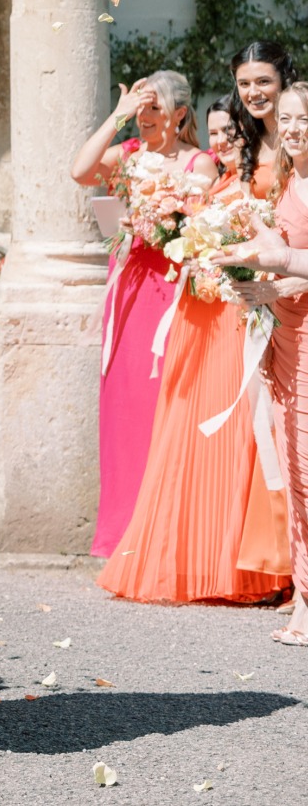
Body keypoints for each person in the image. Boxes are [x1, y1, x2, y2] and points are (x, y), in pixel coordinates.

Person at [96, 76, 290, 604]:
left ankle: (234, 567)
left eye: (228, 133)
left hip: (228, 318)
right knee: (183, 435)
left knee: (232, 440)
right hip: (193, 313)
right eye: (215, 134)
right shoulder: (210, 181)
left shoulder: (246, 188)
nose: (221, 142)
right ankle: (183, 562)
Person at [72, 71, 216, 560]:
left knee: (167, 408)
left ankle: (168, 537)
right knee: (126, 408)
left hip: (173, 295)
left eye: (153, 107)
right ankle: (122, 535)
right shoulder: (129, 154)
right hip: (130, 293)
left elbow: (204, 234)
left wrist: (163, 222)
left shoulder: (201, 163)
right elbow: (80, 170)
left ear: (179, 113)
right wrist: (116, 116)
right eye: (140, 107)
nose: (144, 116)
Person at [218, 83, 308, 645]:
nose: (295, 128)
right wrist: (257, 285)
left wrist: (275, 281)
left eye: (306, 118)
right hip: (286, 340)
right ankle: (304, 598)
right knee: (294, 475)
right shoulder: (289, 182)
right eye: (290, 119)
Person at [230, 41, 298, 198]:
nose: (253, 92)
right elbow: (248, 204)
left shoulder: (303, 132)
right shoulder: (243, 142)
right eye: (244, 84)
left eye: (263, 81)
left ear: (284, 80)